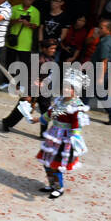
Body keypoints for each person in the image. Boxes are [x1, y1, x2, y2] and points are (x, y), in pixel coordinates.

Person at [37, 70, 89, 198]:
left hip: (65, 139)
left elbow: (77, 125)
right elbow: (50, 114)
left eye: (69, 88)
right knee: (46, 161)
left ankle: (59, 188)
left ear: (75, 90)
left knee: (56, 164)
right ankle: (51, 184)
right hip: (53, 134)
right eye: (64, 86)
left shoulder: (76, 106)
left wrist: (75, 138)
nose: (65, 89)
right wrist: (37, 119)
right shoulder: (59, 100)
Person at [5, 0, 40, 88]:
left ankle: (20, 83)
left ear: (33, 0)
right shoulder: (15, 8)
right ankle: (7, 81)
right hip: (13, 41)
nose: (27, 1)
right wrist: (17, 21)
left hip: (25, 43)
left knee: (23, 65)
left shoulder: (35, 11)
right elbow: (7, 22)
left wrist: (28, 24)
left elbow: (36, 27)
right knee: (9, 62)